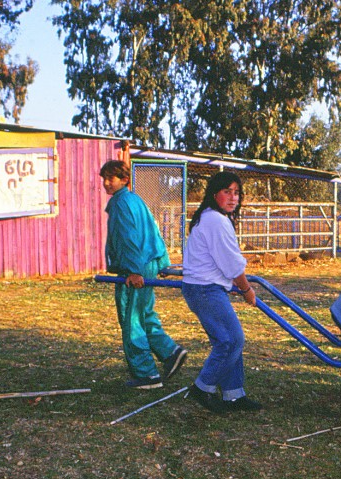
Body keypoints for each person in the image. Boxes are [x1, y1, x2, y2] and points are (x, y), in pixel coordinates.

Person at [100, 160, 187, 389]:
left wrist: (134, 271)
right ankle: (170, 352)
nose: (106, 183)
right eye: (104, 178)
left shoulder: (121, 203)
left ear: (124, 180)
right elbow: (153, 230)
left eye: (111, 178)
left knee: (132, 318)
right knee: (143, 312)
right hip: (148, 261)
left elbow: (129, 238)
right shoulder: (134, 200)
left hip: (136, 266)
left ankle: (146, 374)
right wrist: (162, 263)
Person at [181, 171, 262, 413]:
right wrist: (246, 289)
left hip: (206, 287)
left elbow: (223, 262)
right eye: (227, 192)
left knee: (228, 339)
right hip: (205, 289)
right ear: (214, 194)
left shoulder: (211, 217)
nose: (233, 197)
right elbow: (231, 264)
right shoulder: (215, 220)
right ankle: (202, 387)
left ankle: (233, 394)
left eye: (237, 193)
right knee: (231, 340)